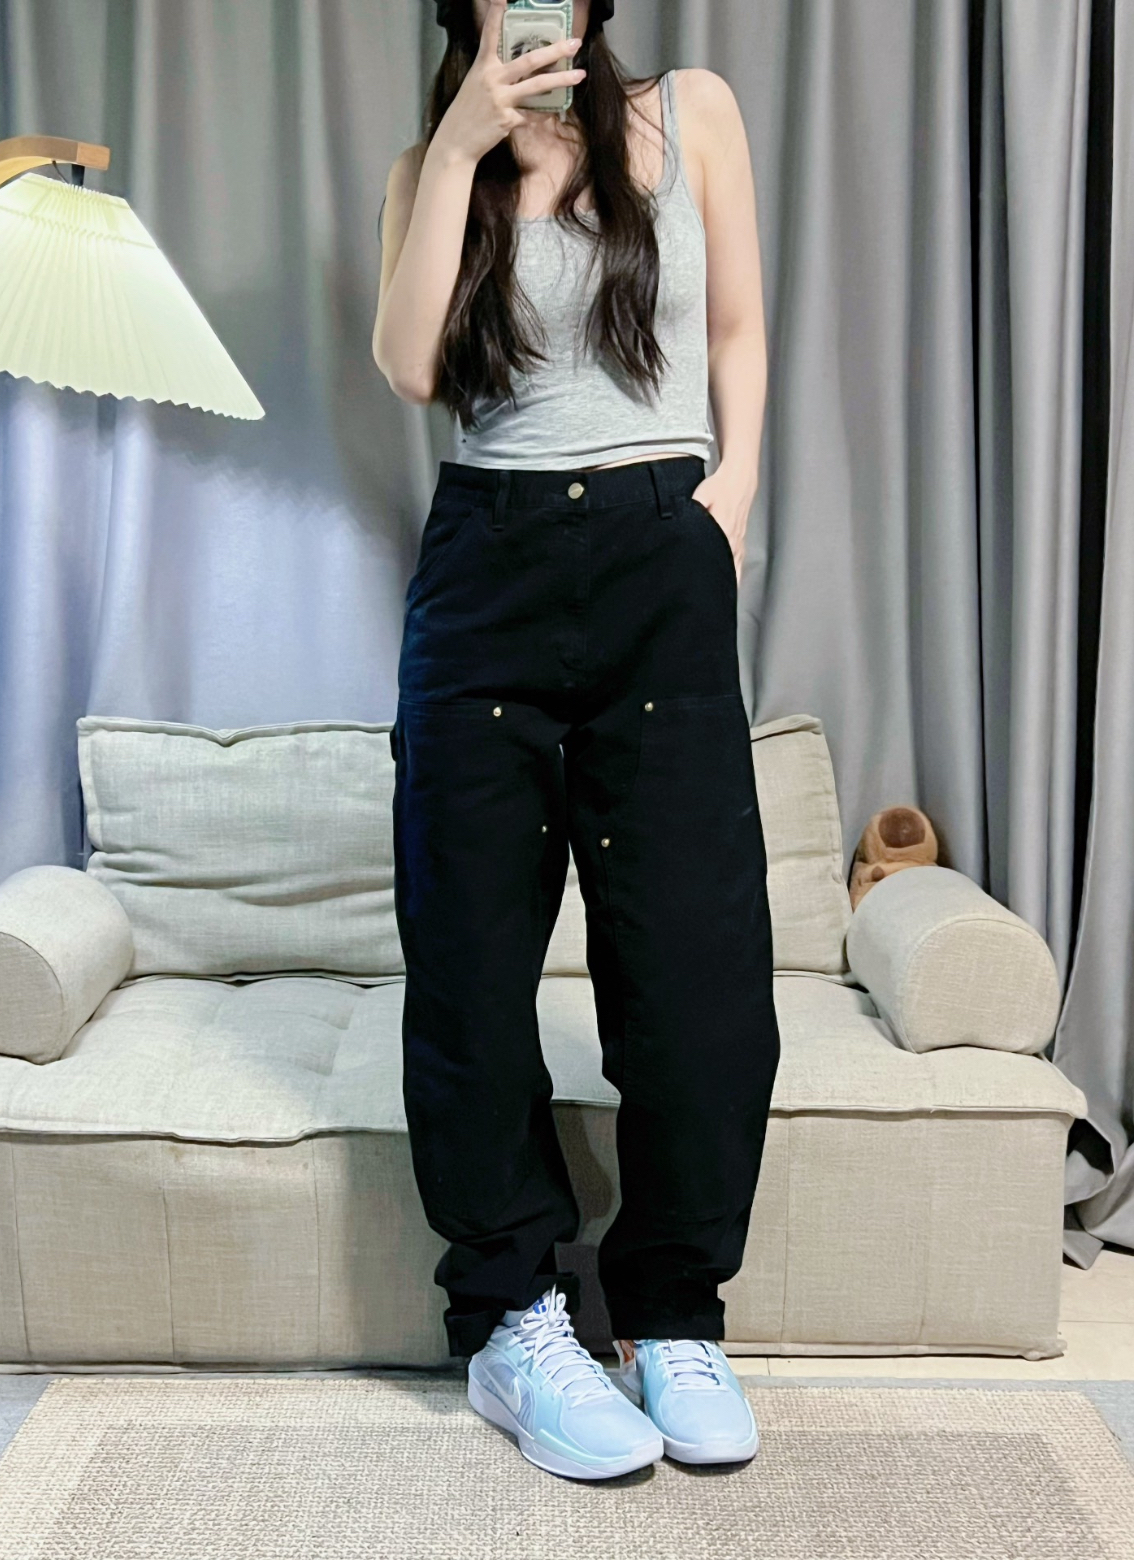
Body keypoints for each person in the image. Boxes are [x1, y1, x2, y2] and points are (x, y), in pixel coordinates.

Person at [373, 0, 779, 1481]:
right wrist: (460, 149)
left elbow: (735, 325)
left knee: (694, 970)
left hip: (658, 548)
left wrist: (731, 498)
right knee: (472, 969)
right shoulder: (432, 166)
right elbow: (412, 368)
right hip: (488, 565)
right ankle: (512, 1320)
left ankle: (673, 1311)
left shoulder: (691, 111)